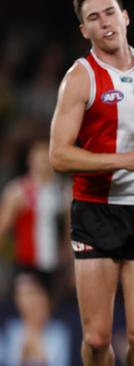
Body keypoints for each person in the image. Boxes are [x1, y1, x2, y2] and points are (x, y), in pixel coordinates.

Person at [49, 0, 134, 364]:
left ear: (125, 16)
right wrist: (123, 161)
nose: (105, 22)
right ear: (84, 31)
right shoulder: (80, 77)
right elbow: (59, 156)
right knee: (96, 340)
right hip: (95, 211)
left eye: (110, 12)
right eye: (93, 18)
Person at [0, 141, 67, 365]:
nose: (42, 164)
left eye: (45, 159)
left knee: (42, 320)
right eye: (37, 159)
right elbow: (3, 228)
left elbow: (68, 230)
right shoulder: (18, 191)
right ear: (30, 162)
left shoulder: (61, 191)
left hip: (52, 267)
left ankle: (35, 358)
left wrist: (68, 258)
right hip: (26, 264)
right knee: (32, 316)